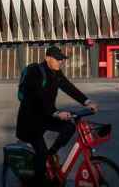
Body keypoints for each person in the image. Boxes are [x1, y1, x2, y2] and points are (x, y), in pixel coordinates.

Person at [16, 46, 98, 187]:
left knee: (69, 127)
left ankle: (51, 154)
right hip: (30, 121)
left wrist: (87, 101)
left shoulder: (56, 73)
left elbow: (68, 87)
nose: (61, 62)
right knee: (40, 154)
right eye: (58, 59)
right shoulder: (34, 71)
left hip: (46, 116)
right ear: (47, 58)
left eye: (62, 60)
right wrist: (56, 113)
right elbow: (36, 97)